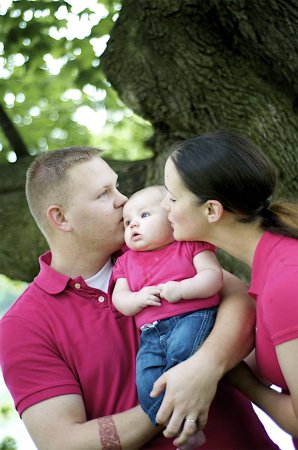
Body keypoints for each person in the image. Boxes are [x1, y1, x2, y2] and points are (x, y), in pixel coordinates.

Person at [0, 146, 278, 450]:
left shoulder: (156, 244)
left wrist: (204, 367)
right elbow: (64, 443)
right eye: (104, 194)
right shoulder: (23, 325)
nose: (123, 199)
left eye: (116, 186)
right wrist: (174, 397)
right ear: (61, 218)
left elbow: (240, 299)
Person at [155, 130, 298, 449]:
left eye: (173, 197)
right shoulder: (275, 260)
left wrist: (243, 382)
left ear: (211, 211)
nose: (164, 205)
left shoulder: (286, 282)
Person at [112, 185, 222, 426]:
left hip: (191, 317)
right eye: (127, 221)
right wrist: (136, 299)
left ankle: (189, 416)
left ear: (171, 216)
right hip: (150, 334)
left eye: (144, 215)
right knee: (146, 382)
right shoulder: (125, 262)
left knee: (182, 356)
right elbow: (119, 299)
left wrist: (183, 290)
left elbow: (213, 277)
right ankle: (179, 426)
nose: (133, 224)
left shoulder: (189, 244)